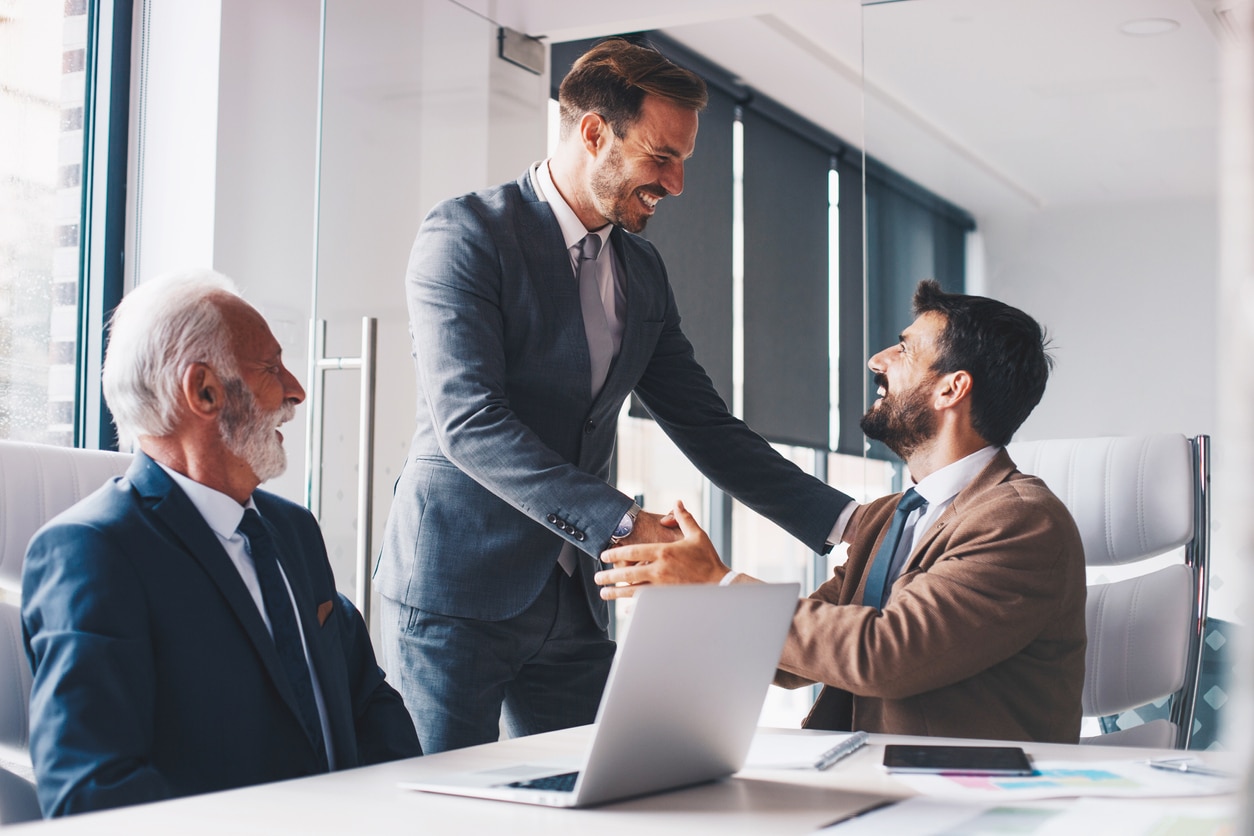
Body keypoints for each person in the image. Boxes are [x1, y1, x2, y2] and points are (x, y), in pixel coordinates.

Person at [376, 37, 856, 754]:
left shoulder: (643, 272)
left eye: (685, 160)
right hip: (457, 595)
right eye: (662, 157)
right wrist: (624, 524)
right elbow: (469, 423)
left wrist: (848, 521)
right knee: (448, 810)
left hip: (575, 602)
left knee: (603, 796)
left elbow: (706, 426)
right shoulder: (467, 235)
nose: (679, 184)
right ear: (594, 132)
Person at [596, 280, 1087, 744]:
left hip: (962, 796)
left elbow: (884, 654)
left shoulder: (1020, 520)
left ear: (951, 389)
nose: (878, 360)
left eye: (905, 350)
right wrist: (685, 589)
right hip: (861, 778)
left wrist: (719, 583)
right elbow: (799, 656)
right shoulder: (893, 516)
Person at [21, 269, 422, 817]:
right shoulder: (93, 552)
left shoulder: (295, 531)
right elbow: (92, 793)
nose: (297, 390)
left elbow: (368, 700)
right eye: (271, 368)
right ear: (203, 390)